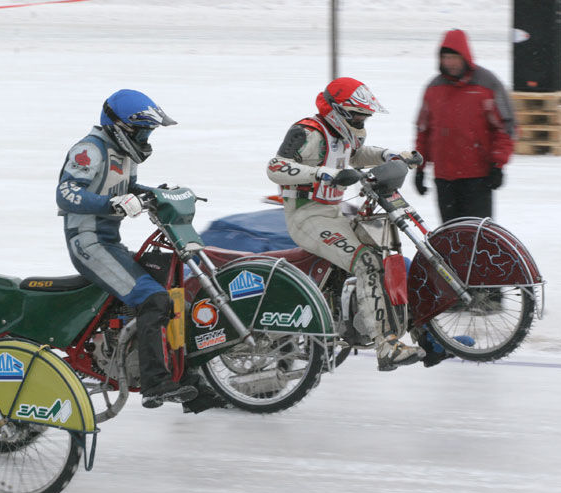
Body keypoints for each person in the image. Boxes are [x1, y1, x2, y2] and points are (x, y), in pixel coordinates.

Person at [57, 89, 227, 412]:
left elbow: (128, 189)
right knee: (153, 298)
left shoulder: (123, 155)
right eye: (143, 131)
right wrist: (112, 204)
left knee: (173, 292)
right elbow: (66, 193)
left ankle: (186, 378)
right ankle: (154, 384)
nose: (146, 138)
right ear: (121, 127)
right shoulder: (89, 151)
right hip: (88, 242)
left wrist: (157, 194)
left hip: (108, 241)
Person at [267, 77, 425, 371]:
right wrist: (322, 175)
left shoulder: (345, 135)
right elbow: (275, 168)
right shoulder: (306, 131)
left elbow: (354, 155)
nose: (362, 121)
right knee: (366, 261)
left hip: (334, 212)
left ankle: (416, 328)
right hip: (306, 215)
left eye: (366, 116)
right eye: (358, 115)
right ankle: (386, 346)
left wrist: (388, 155)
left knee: (384, 252)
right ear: (338, 111)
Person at [414, 28, 516, 223]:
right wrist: (419, 169)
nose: (450, 63)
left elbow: (506, 127)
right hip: (444, 179)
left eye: (454, 57)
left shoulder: (487, 85)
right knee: (451, 237)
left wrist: (498, 164)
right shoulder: (433, 89)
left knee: (477, 236)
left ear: (465, 57)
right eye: (446, 57)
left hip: (477, 178)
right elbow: (423, 131)